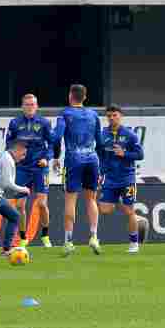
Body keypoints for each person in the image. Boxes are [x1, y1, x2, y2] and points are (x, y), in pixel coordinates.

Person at [50, 84, 101, 255]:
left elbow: (57, 137)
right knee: (91, 199)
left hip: (74, 159)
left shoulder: (65, 114)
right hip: (92, 159)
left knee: (70, 200)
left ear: (70, 96)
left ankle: (68, 241)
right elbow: (100, 142)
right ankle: (94, 237)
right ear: (84, 97)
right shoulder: (94, 114)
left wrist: (56, 156)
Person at [6, 93, 57, 248]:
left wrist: (46, 158)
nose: (30, 107)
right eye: (27, 105)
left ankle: (45, 235)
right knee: (20, 206)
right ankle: (23, 237)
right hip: (22, 168)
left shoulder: (44, 122)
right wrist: (13, 157)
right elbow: (8, 144)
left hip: (40, 168)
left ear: (37, 106)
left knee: (41, 204)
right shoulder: (15, 123)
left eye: (33, 104)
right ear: (22, 106)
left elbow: (52, 144)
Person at [97, 104, 149, 253]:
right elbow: (100, 155)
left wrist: (124, 154)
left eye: (115, 115)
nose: (112, 118)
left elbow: (140, 155)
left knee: (129, 211)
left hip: (127, 178)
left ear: (120, 116)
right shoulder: (102, 135)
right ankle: (138, 218)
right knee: (104, 209)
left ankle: (134, 243)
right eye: (109, 116)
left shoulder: (130, 135)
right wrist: (100, 172)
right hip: (110, 178)